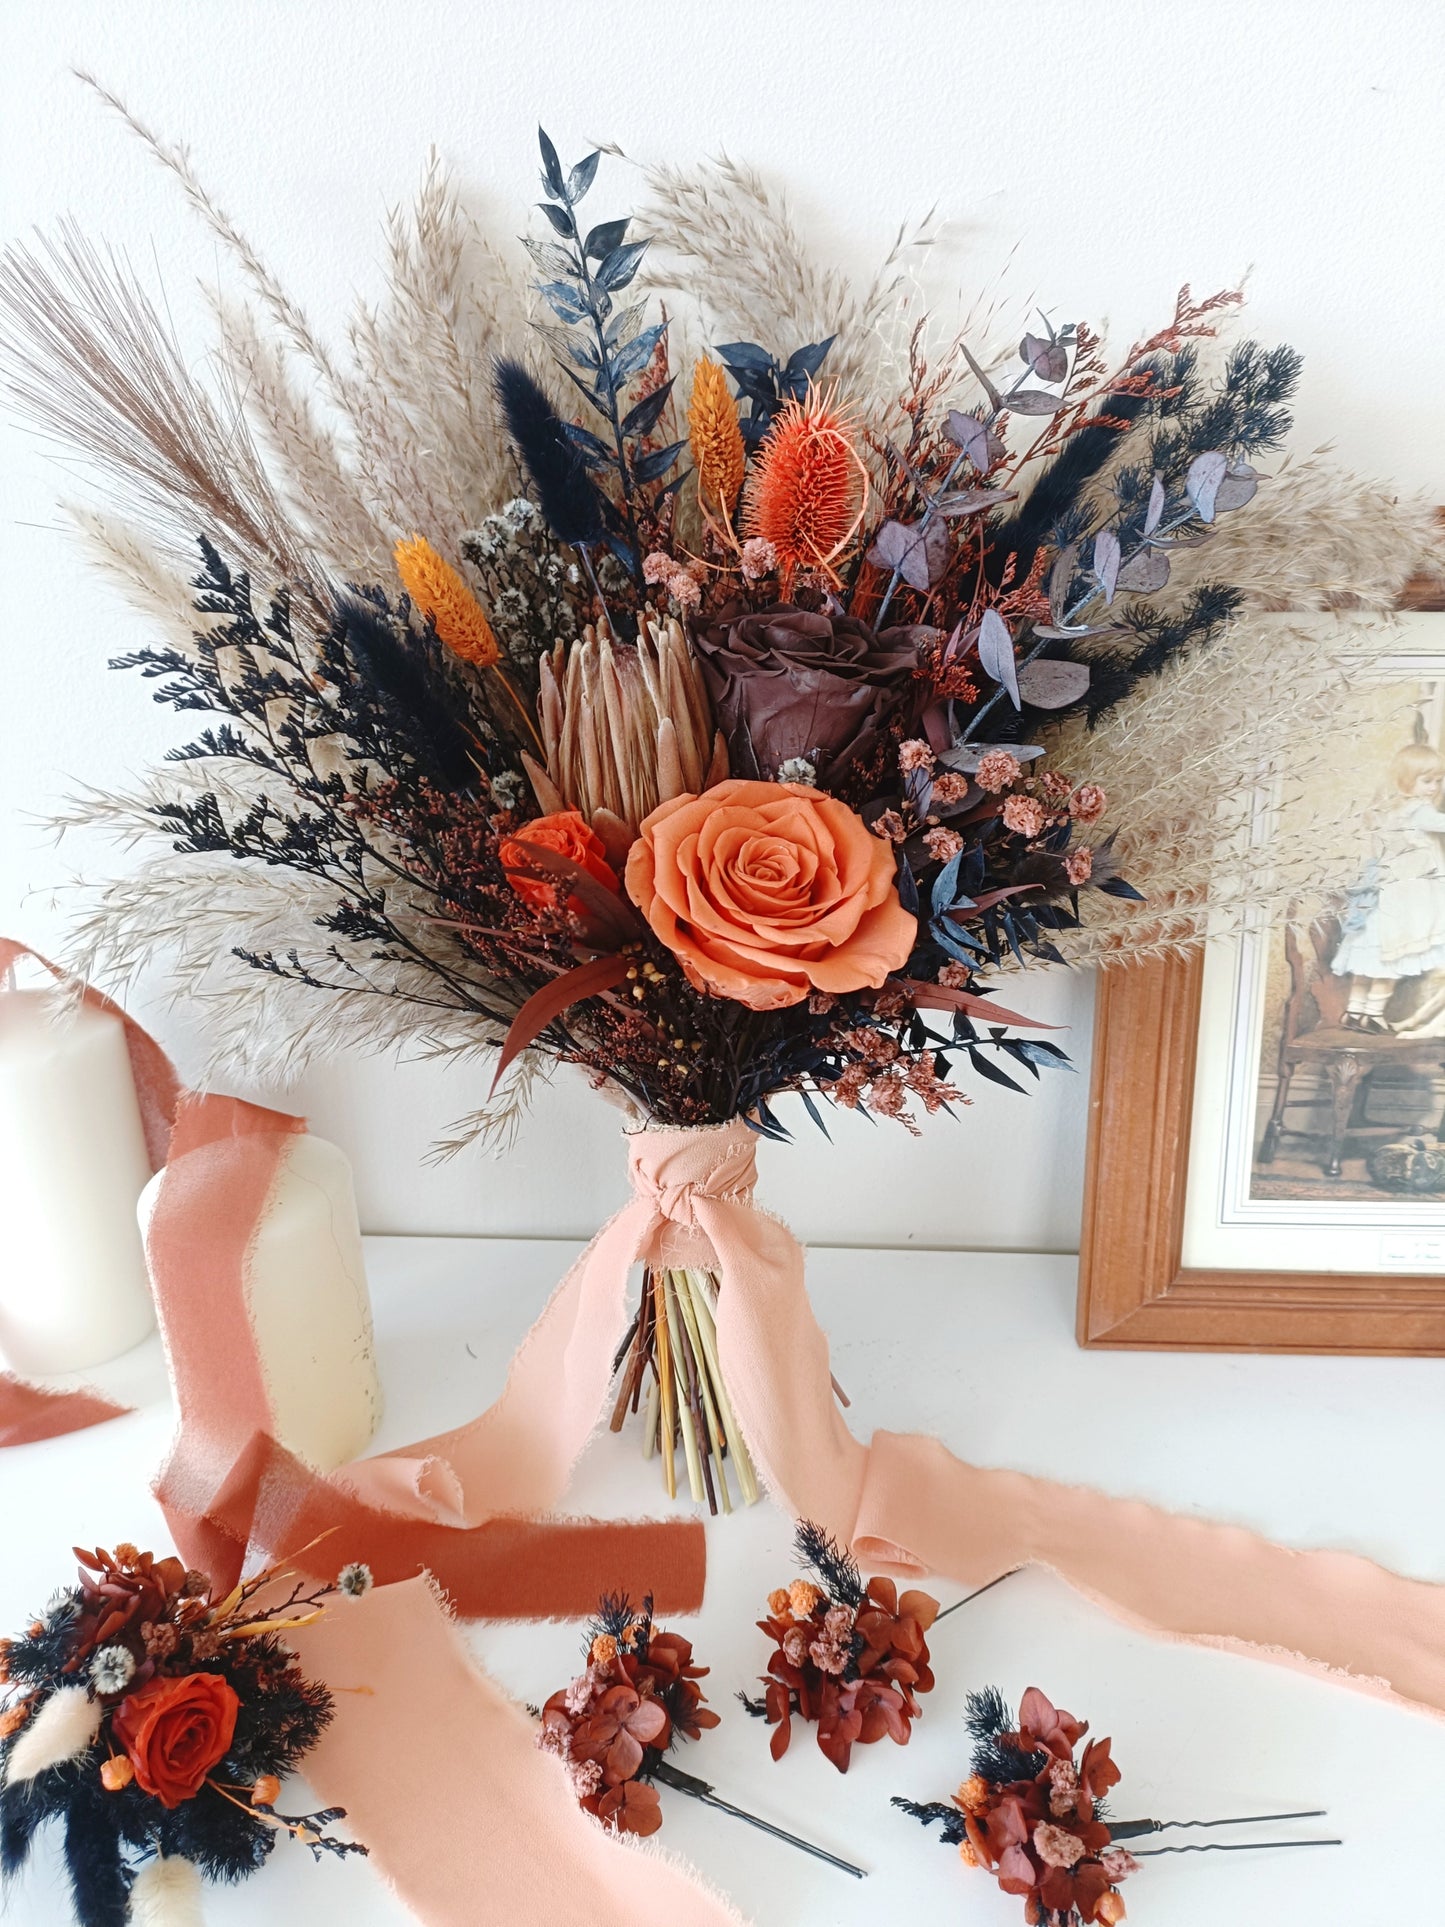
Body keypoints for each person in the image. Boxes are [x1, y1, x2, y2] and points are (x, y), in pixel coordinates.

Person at [1332, 742, 1445, 1033]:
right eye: (1427, 781)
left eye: (1438, 781)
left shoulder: (1390, 811)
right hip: (1405, 900)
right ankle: (1373, 1014)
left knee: (1368, 958)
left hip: (1385, 892)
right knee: (1392, 958)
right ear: (1407, 781)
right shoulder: (1418, 811)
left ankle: (1353, 1013)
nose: (1434, 788)